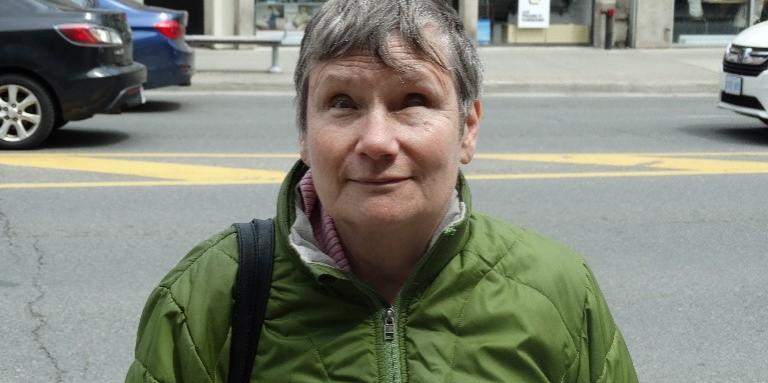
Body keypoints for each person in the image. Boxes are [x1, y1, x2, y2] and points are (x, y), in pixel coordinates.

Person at [125, 0, 638, 382]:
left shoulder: (561, 291)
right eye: (343, 102)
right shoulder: (209, 298)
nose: (376, 141)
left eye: (413, 99)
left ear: (467, 129)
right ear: (303, 133)